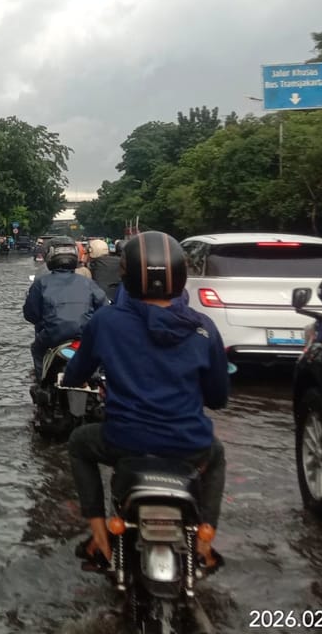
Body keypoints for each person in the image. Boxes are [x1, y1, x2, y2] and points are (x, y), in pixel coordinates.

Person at [62, 230, 228, 576]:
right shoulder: (204, 329)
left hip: (124, 441)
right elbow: (218, 398)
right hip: (189, 444)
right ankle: (206, 537)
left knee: (79, 443)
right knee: (217, 452)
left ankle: (97, 534)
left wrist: (78, 379)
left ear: (127, 275)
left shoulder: (106, 322)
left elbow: (77, 375)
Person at [22, 236, 108, 376]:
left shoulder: (41, 283)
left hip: (52, 336)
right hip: (85, 336)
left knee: (37, 350)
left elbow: (31, 315)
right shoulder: (87, 282)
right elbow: (104, 310)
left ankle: (41, 383)